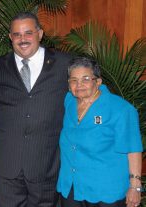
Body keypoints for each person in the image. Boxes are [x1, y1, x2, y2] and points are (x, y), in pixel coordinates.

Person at [0, 12, 72, 207]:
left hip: (46, 165)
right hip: (7, 168)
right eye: (17, 34)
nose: (22, 39)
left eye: (28, 33)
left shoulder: (65, 64)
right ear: (10, 37)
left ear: (40, 33)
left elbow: (88, 94)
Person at [57, 57, 143, 207]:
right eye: (73, 80)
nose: (79, 85)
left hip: (105, 190)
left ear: (98, 81)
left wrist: (135, 187)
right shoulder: (69, 101)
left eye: (86, 79)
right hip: (72, 185)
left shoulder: (121, 109)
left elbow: (133, 149)